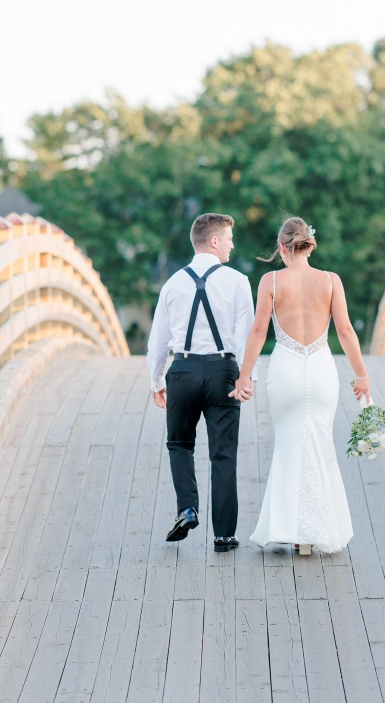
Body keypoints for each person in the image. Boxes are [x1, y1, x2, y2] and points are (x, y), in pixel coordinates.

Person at [231, 217, 367, 555]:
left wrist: (244, 375)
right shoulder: (331, 281)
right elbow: (346, 331)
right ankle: (317, 530)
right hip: (321, 369)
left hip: (287, 370)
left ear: (281, 248)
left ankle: (292, 529)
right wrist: (362, 375)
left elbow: (259, 332)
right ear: (309, 245)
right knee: (320, 443)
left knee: (289, 445)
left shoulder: (271, 281)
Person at [146, 213, 255, 553]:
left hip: (183, 370)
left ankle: (187, 508)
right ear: (214, 241)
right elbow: (246, 335)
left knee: (179, 444)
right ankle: (223, 536)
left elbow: (158, 341)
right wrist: (246, 377)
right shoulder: (238, 281)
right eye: (229, 239)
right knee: (223, 455)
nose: (232, 244)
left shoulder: (172, 283)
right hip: (223, 372)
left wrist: (156, 380)